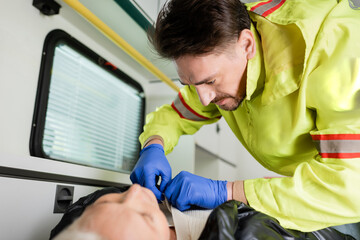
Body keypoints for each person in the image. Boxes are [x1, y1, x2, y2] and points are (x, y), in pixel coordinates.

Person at [130, 0, 360, 235]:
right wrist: (153, 146)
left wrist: (227, 192)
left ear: (247, 45)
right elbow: (175, 116)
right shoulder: (214, 64)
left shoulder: (339, 51)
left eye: (210, 81)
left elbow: (351, 185)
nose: (205, 99)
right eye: (191, 84)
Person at [50, 184, 355, 240]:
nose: (135, 192)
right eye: (144, 216)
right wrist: (228, 192)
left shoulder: (86, 226)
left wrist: (154, 142)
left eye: (111, 201)